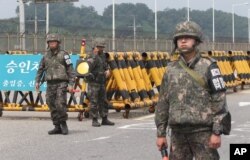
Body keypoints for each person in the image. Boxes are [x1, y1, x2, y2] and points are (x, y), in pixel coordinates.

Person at [155, 21, 231, 160]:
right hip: (178, 134)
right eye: (179, 38)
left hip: (203, 132)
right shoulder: (171, 69)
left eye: (187, 37)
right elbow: (163, 102)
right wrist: (160, 134)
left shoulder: (209, 66)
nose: (183, 40)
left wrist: (216, 132)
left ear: (196, 41)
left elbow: (219, 100)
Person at [35, 33, 75, 135]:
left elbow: (70, 69)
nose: (52, 44)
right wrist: (37, 81)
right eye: (50, 42)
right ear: (48, 43)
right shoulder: (45, 56)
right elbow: (40, 69)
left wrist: (71, 83)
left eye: (54, 42)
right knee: (51, 103)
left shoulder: (64, 54)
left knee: (60, 104)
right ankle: (57, 126)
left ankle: (63, 123)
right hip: (50, 83)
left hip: (61, 82)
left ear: (58, 43)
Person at [85, 39, 115, 127]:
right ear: (94, 47)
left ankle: (104, 118)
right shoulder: (90, 56)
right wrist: (94, 55)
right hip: (93, 82)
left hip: (102, 81)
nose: (100, 49)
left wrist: (107, 70)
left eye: (102, 47)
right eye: (99, 47)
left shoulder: (102, 56)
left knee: (104, 101)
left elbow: (105, 65)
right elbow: (87, 67)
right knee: (94, 101)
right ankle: (94, 119)